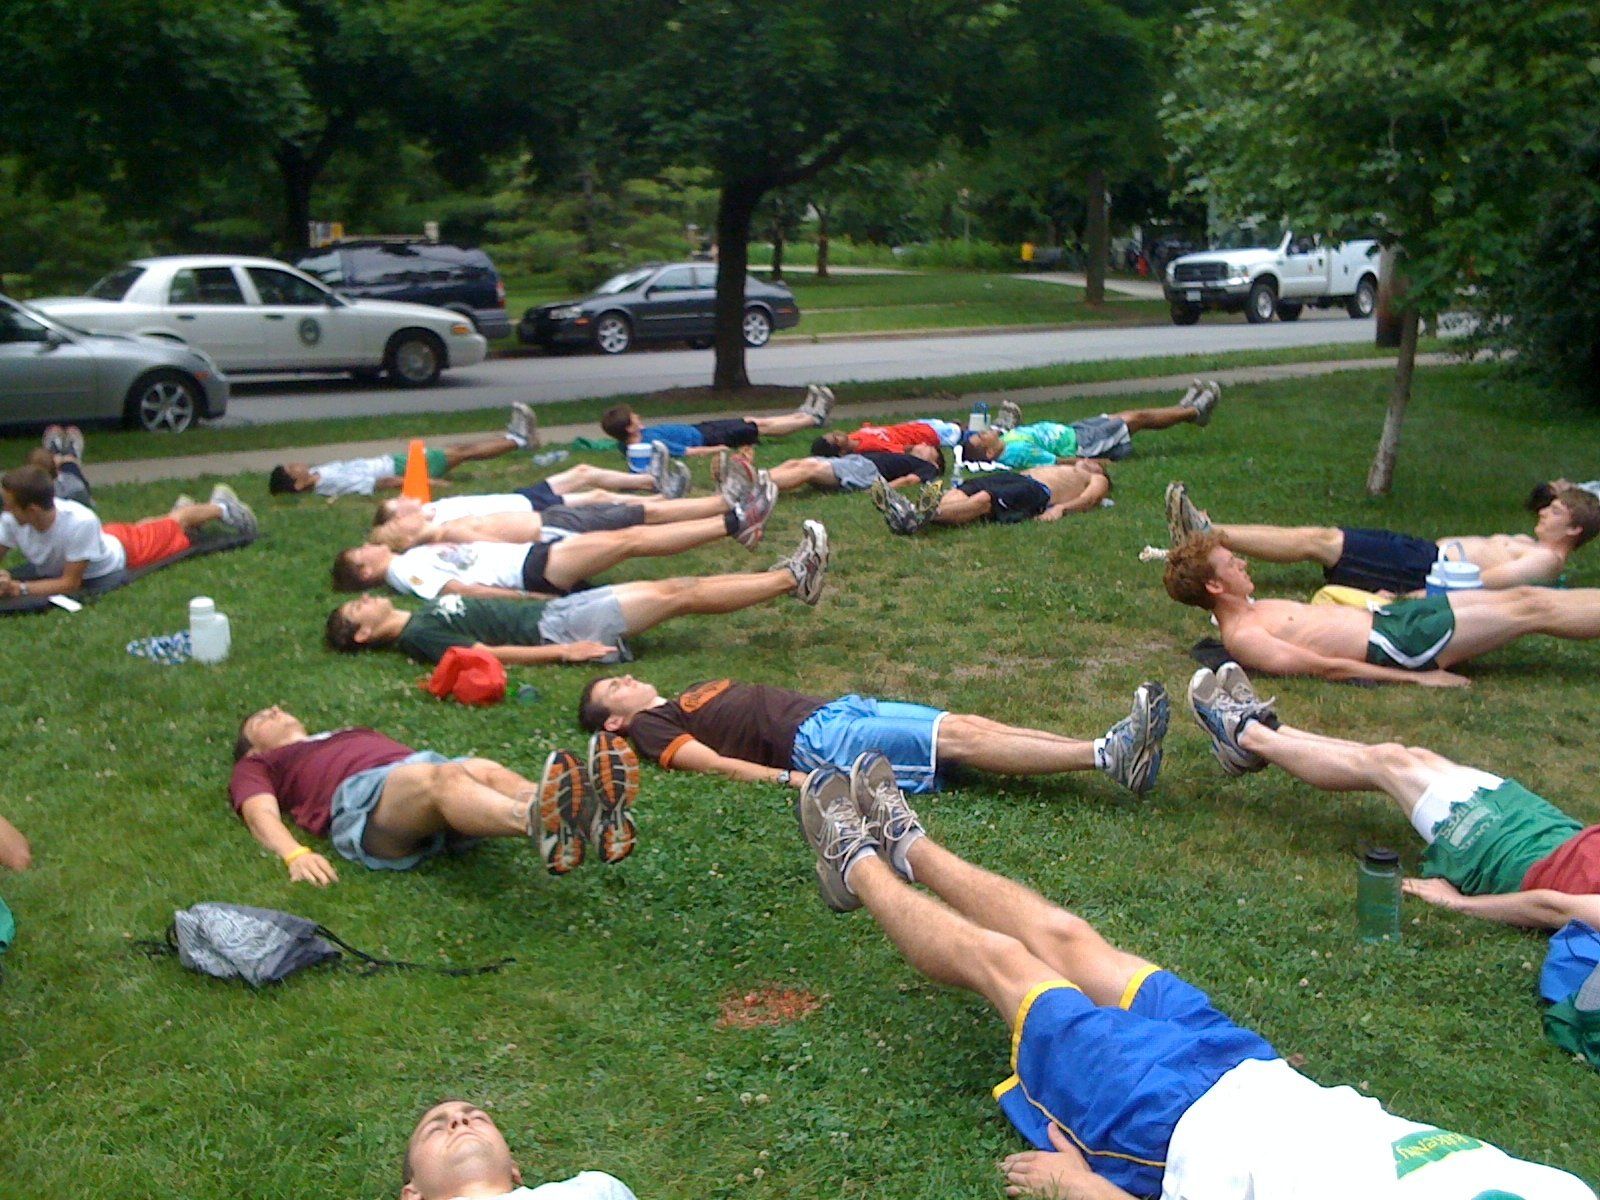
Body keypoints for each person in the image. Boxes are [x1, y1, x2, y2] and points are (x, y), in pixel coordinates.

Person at [789, 761, 1596, 1199]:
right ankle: (908, 844)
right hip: (1259, 1075)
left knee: (1010, 970)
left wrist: (1081, 1189)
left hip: (1171, 1133)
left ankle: (853, 864)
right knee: (1071, 938)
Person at [1187, 660, 1600, 930]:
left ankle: (1243, 732)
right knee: (1411, 757)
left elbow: (1554, 908)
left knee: (1387, 763)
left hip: (1503, 855)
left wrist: (1458, 905)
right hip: (1548, 828)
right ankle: (1268, 730)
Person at [326, 520, 830, 665]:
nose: (368, 599)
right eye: (359, 607)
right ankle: (792, 580)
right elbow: (479, 654)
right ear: (365, 635)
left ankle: (787, 577)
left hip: (558, 611)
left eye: (360, 596)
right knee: (679, 596)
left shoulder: (420, 614)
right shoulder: (417, 637)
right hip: (559, 629)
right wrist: (565, 652)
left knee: (675, 586)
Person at [578, 674, 1169, 797]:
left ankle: (1107, 746)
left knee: (962, 726)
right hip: (815, 745)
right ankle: (1106, 754)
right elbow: (707, 763)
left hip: (836, 711)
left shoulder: (677, 698)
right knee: (956, 742)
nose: (625, 678)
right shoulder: (652, 726)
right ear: (613, 720)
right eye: (613, 686)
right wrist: (792, 778)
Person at [229, 707, 638, 878]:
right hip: (363, 802)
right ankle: (538, 820)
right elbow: (258, 812)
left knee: (481, 769)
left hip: (420, 773)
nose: (274, 710)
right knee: (439, 780)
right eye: (259, 719)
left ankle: (587, 813)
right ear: (254, 746)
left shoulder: (341, 733)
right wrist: (295, 853)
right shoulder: (259, 764)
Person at [1162, 532, 1600, 686]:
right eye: (1231, 564)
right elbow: (1326, 668)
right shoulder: (1245, 638)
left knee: (1522, 600)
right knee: (1531, 608)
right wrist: (1420, 679)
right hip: (1400, 644)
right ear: (1215, 585)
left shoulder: (1253, 608)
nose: (1242, 562)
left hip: (1393, 618)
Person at [332, 483, 776, 599]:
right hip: (530, 567)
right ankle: (735, 520)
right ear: (366, 569)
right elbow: (462, 590)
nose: (370, 546)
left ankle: (735, 520)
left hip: (532, 554)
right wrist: (533, 600)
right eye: (363, 552)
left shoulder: (407, 562)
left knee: (632, 537)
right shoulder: (406, 570)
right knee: (632, 539)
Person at [1165, 479, 1599, 592]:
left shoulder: (1545, 561)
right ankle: (1210, 531)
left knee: (1321, 542)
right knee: (1321, 538)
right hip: (1419, 554)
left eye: (1557, 511)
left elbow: (1480, 585)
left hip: (1422, 568)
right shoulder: (1537, 550)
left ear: (1575, 529)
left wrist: (1411, 599)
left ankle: (1209, 533)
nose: (1545, 511)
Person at [0, 468, 255, 600]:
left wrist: (17, 588)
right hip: (101, 540)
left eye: (9, 504)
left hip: (127, 553)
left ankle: (224, 507)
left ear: (32, 510)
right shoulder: (12, 520)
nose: (5, 509)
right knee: (157, 525)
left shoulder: (79, 523)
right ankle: (187, 510)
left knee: (176, 524)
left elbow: (70, 584)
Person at [367, 481, 741, 552]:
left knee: (645, 513)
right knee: (646, 514)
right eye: (399, 523)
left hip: (551, 517)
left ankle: (725, 504)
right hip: (554, 528)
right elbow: (501, 547)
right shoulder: (449, 537)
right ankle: (727, 506)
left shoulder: (440, 525)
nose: (406, 515)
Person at [267, 404, 540, 498]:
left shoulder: (319, 473)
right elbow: (380, 483)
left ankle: (513, 437)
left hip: (394, 461)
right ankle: (518, 440)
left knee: (458, 450)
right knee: (461, 453)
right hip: (400, 468)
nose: (296, 463)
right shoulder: (332, 483)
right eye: (293, 470)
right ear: (299, 483)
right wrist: (427, 482)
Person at [400, 1098, 637, 1200]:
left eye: (478, 1118)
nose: (460, 1121)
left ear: (513, 1168)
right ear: (412, 1195)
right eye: (435, 1129)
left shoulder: (598, 1190)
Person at [962, 382, 1220, 469]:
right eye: (982, 437)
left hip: (1075, 430)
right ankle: (1194, 412)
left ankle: (1183, 409)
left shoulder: (1005, 441)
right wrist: (1095, 464)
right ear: (989, 452)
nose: (986, 432)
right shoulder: (1016, 453)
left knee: (1130, 415)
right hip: (1085, 444)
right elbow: (1056, 461)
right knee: (1136, 419)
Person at [872, 460, 1111, 534]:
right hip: (1013, 476)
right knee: (960, 493)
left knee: (985, 500)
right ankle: (913, 512)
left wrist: (1062, 509)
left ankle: (920, 515)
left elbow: (1090, 499)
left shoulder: (1096, 478)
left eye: (1095, 462)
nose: (1089, 460)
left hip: (1037, 489)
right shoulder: (1064, 464)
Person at [600, 385, 835, 460]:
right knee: (758, 428)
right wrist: (716, 449)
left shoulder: (630, 442)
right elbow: (687, 452)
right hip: (710, 438)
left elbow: (623, 445)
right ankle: (813, 418)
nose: (638, 417)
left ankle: (803, 413)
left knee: (751, 420)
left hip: (700, 429)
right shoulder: (650, 444)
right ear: (630, 427)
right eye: (634, 418)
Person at [763, 443, 944, 495]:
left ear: (936, 460)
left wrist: (879, 490)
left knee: (810, 468)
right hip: (856, 461)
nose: (922, 444)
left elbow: (910, 480)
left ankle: (756, 487)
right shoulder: (906, 455)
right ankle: (757, 478)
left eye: (929, 447)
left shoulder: (928, 468)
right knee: (796, 462)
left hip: (866, 470)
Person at [32, 424, 91, 506]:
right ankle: (71, 458)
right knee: (70, 468)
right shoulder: (76, 489)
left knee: (42, 466)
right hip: (75, 494)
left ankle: (53, 455)